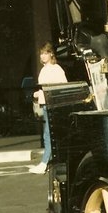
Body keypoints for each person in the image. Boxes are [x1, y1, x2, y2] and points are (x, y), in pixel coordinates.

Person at [29, 42, 67, 174]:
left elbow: (59, 87)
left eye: (45, 53)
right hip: (47, 104)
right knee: (49, 134)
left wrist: (39, 93)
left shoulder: (55, 69)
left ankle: (44, 163)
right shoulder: (46, 69)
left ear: (51, 54)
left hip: (51, 104)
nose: (43, 56)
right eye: (41, 53)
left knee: (48, 134)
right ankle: (48, 161)